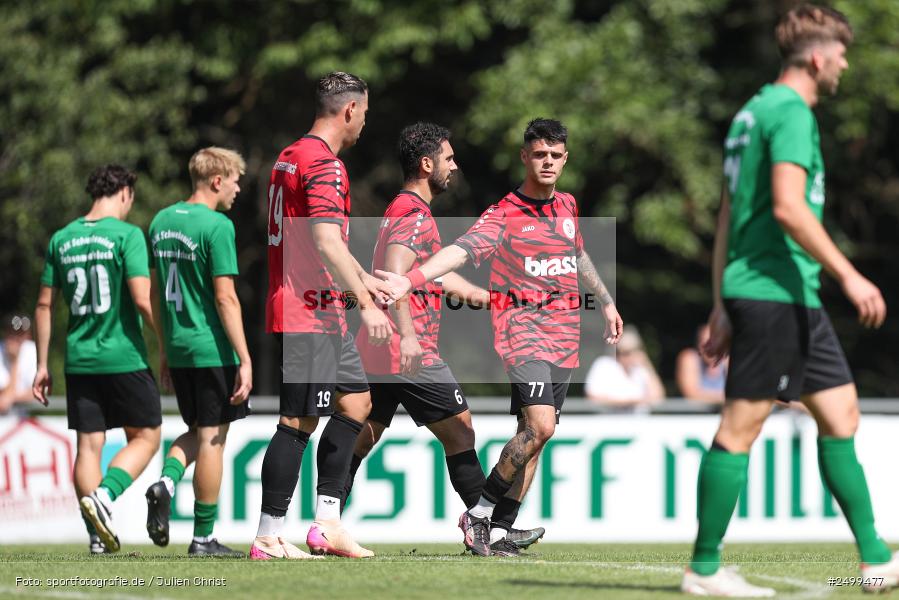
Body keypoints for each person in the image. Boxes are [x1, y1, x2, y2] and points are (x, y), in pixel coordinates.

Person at [683, 5, 899, 596]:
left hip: (782, 295)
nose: (846, 65)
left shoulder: (750, 114)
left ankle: (876, 559)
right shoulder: (791, 112)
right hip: (774, 293)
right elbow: (787, 207)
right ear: (817, 57)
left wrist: (721, 302)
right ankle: (703, 570)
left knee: (840, 414)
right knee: (740, 427)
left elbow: (729, 214)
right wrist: (852, 277)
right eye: (842, 56)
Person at [377, 118, 623, 557]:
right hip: (522, 334)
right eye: (540, 154)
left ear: (565, 159)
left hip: (564, 338)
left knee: (537, 435)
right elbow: (461, 251)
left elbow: (578, 253)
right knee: (541, 425)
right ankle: (479, 515)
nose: (548, 162)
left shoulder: (567, 206)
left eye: (556, 155)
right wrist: (411, 280)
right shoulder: (505, 213)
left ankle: (500, 532)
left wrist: (605, 301)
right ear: (525, 157)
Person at [346, 122, 545, 555]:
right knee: (461, 433)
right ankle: (485, 528)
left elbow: (427, 271)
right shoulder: (415, 214)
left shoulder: (401, 207)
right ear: (426, 163)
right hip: (409, 350)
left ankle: (326, 521)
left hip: (384, 348)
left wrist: (481, 295)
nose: (455, 166)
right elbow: (399, 274)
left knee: (362, 437)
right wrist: (411, 337)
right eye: (449, 158)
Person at [253, 71, 393, 560]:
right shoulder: (326, 165)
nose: (363, 127)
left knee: (356, 404)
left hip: (319, 308)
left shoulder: (290, 156)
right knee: (298, 421)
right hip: (308, 310)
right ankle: (268, 535)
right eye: (365, 115)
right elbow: (325, 239)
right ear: (350, 110)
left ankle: (327, 525)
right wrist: (368, 303)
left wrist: (364, 279)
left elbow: (321, 238)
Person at [32, 165, 162, 555]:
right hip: (123, 356)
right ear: (124, 193)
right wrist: (168, 344)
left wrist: (42, 364)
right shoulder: (127, 235)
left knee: (88, 446)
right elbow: (142, 298)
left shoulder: (62, 238)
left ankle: (96, 536)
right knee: (146, 437)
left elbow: (43, 305)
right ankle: (105, 497)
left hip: (79, 360)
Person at [144, 147, 252, 557]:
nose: (239, 188)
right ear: (217, 180)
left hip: (179, 347)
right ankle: (203, 537)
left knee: (196, 431)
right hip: (211, 348)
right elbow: (226, 298)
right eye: (236, 180)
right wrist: (245, 357)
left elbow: (155, 293)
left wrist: (164, 348)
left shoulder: (160, 221)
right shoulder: (218, 226)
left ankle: (166, 483)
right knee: (213, 440)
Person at [585, 325, 665, 412]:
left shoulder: (640, 368)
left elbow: (658, 398)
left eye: (630, 351)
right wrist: (628, 402)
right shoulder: (604, 364)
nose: (625, 357)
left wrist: (646, 363)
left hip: (639, 423)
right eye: (621, 352)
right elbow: (592, 397)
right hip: (609, 423)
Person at [675, 324, 726, 404]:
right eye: (706, 342)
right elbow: (691, 394)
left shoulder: (729, 361)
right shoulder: (690, 358)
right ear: (699, 345)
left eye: (715, 341)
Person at [0, 314, 37, 416]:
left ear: (27, 335)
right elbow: (3, 394)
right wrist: (14, 361)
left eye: (20, 333)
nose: (15, 338)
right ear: (6, 332)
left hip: (21, 421)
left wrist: (11, 398)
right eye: (12, 332)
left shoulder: (32, 350)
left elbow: (37, 392)